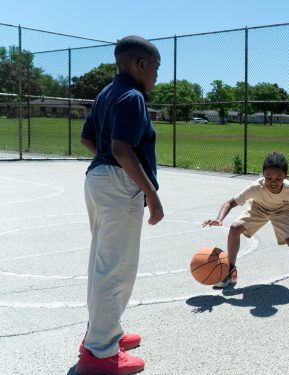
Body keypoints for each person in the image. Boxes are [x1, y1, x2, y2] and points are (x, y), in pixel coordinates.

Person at [77, 36, 163, 375]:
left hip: (97, 179)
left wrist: (105, 165)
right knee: (116, 269)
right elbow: (122, 148)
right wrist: (152, 196)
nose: (156, 76)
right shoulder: (133, 96)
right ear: (140, 65)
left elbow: (89, 138)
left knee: (103, 265)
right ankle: (99, 354)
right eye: (155, 69)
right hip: (118, 184)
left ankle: (103, 335)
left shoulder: (106, 93)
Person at [202, 151, 289, 289]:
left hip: (282, 211)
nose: (273, 182)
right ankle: (230, 272)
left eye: (278, 179)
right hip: (258, 208)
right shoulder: (256, 187)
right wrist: (219, 219)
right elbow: (229, 203)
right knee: (234, 228)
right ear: (263, 175)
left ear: (285, 176)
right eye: (269, 178)